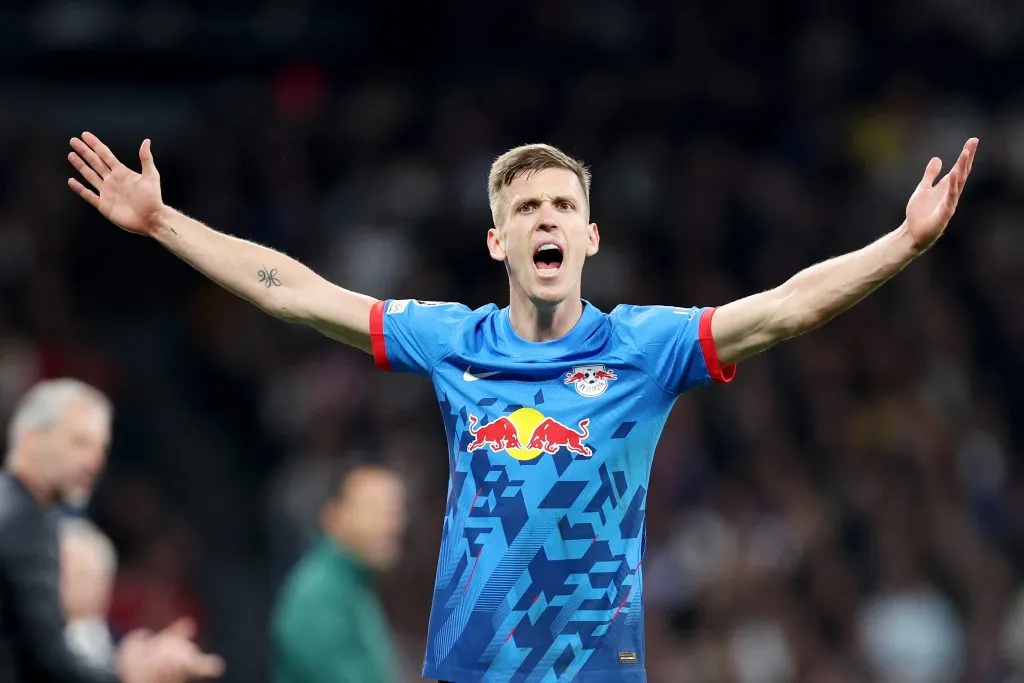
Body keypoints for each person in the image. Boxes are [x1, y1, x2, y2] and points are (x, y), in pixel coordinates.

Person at [66, 131, 978, 683]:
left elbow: (786, 307)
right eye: (528, 205)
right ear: (499, 237)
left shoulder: (645, 347)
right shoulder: (453, 340)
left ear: (588, 235)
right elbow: (296, 293)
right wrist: (162, 223)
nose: (547, 218)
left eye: (563, 204)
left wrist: (901, 242)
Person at [0, 377, 225, 683]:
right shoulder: (23, 521)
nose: (94, 462)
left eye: (101, 449)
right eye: (79, 442)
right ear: (30, 439)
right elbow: (47, 661)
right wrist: (129, 671)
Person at [271, 460, 407, 683]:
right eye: (373, 508)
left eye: (395, 509)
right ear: (333, 515)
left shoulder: (353, 584)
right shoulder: (319, 593)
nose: (390, 521)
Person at [59, 517, 118, 671]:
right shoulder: (34, 641)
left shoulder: (122, 652)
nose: (81, 586)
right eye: (69, 574)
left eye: (86, 575)